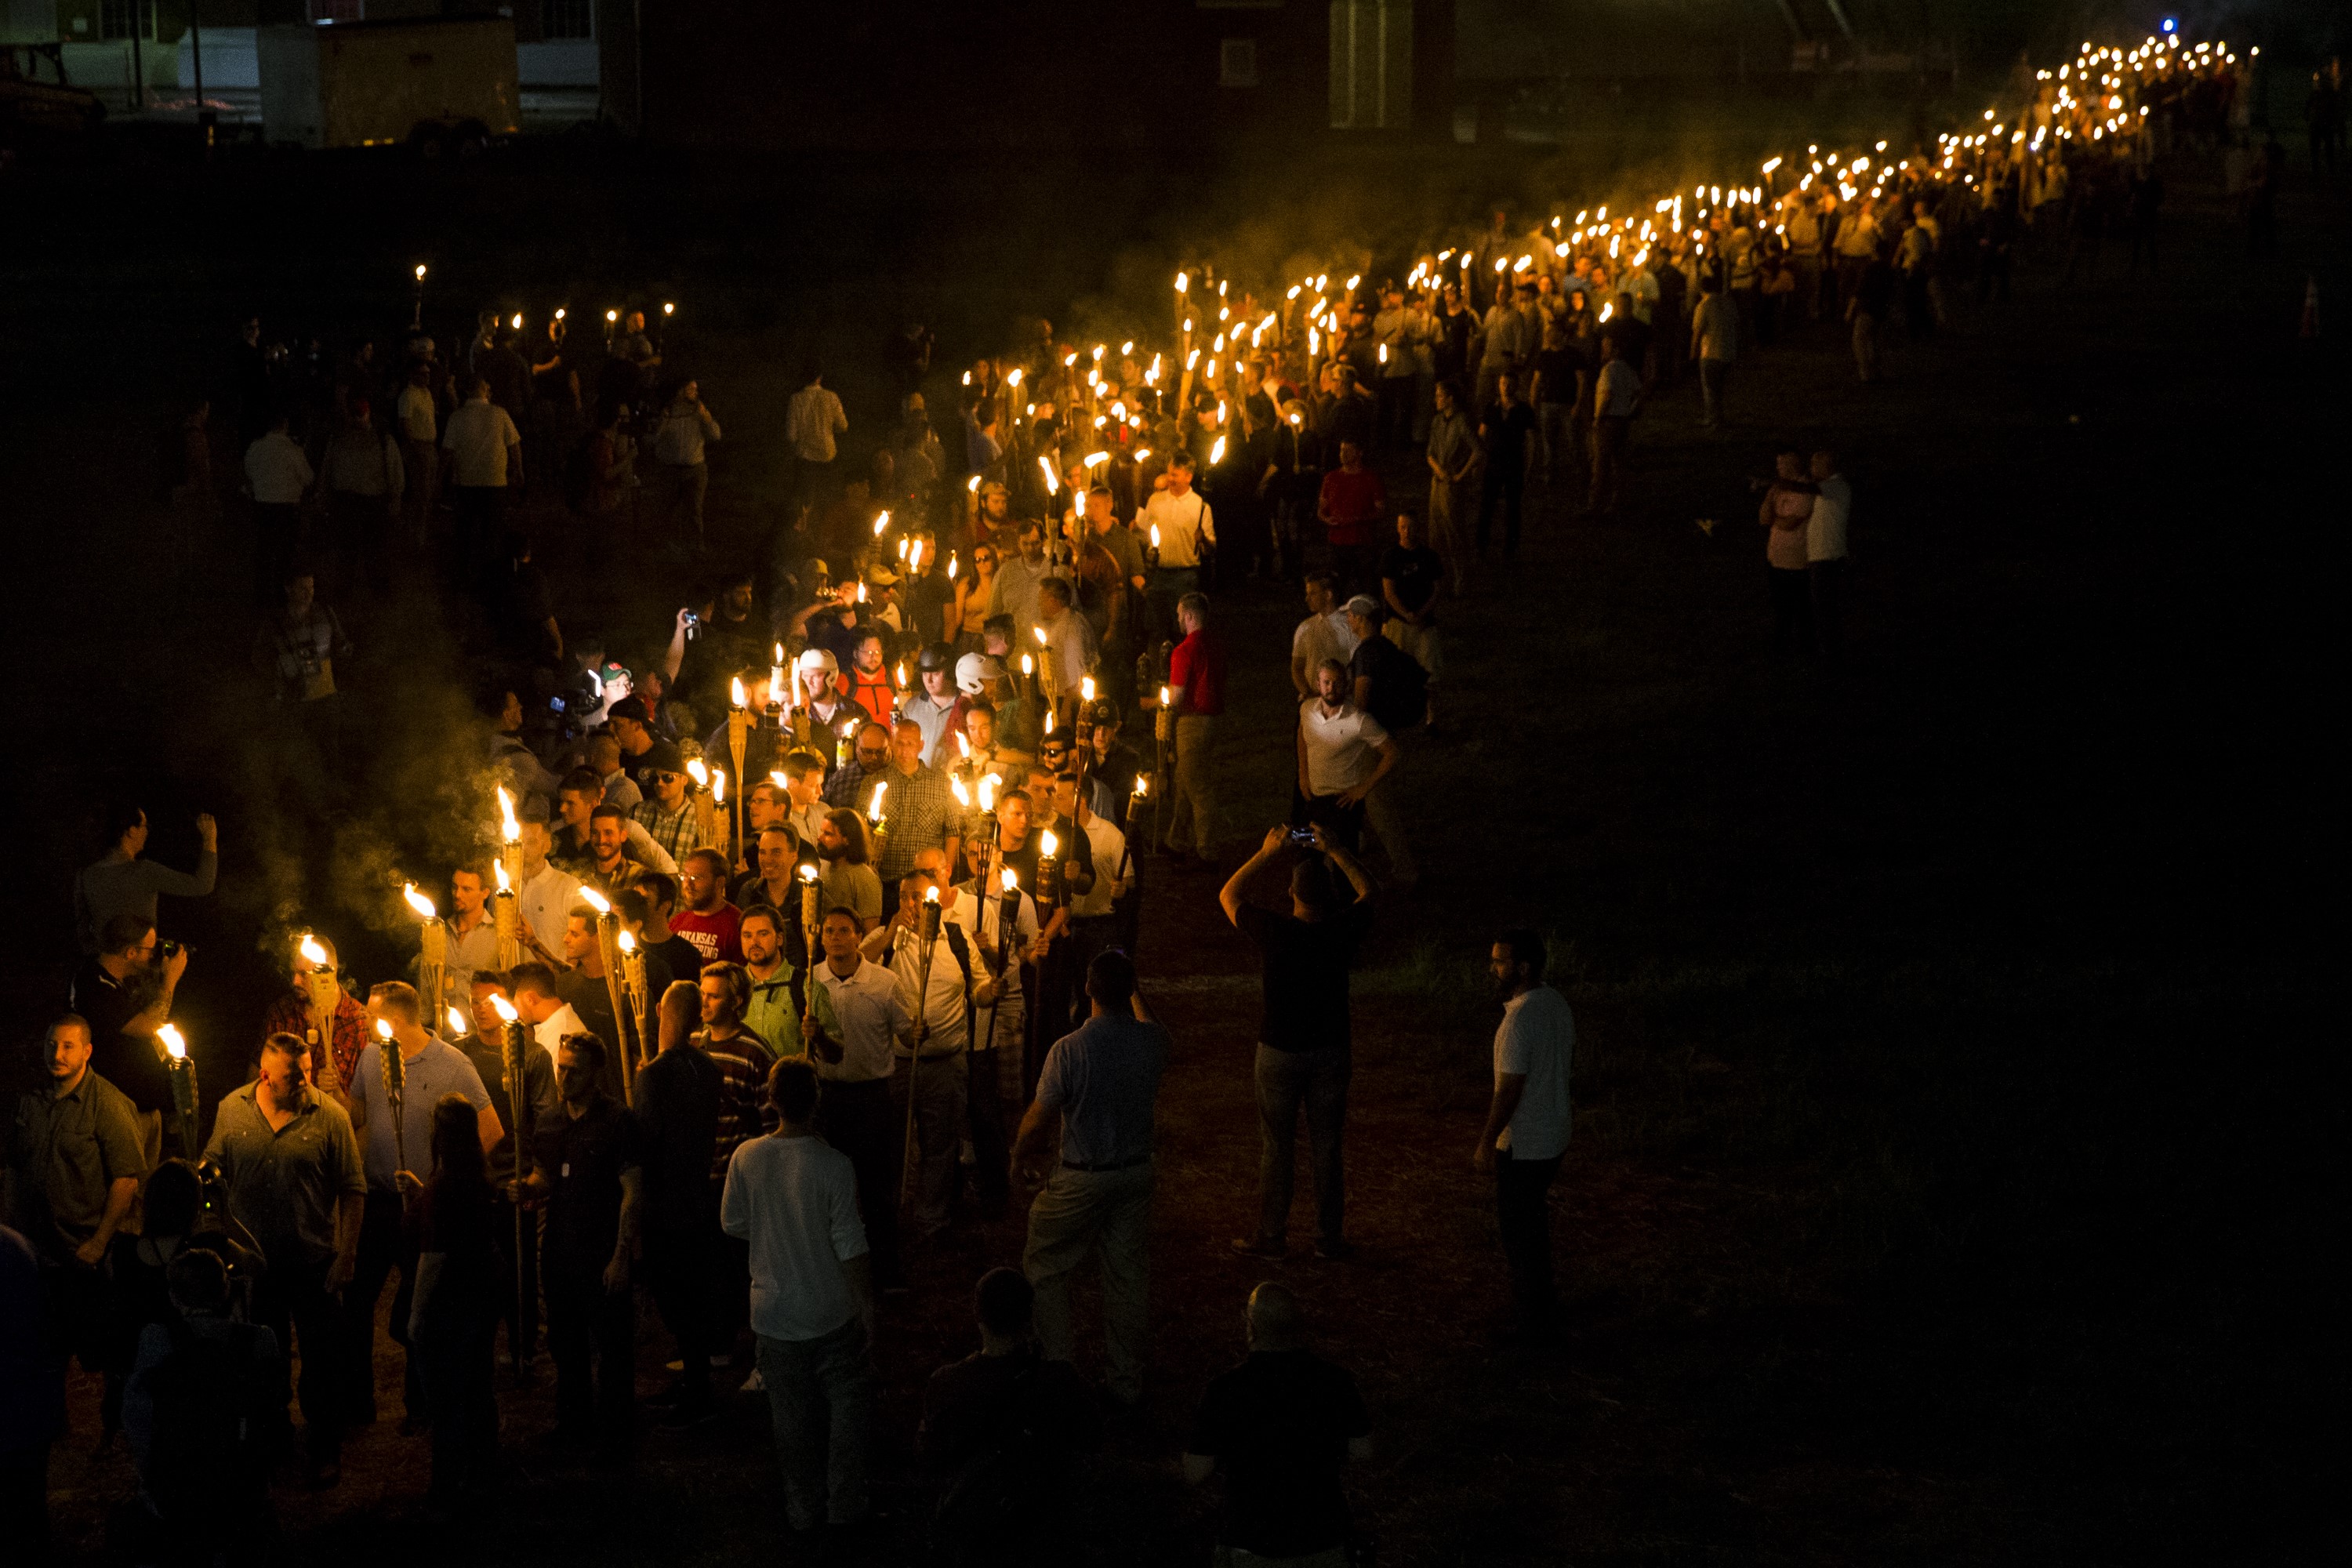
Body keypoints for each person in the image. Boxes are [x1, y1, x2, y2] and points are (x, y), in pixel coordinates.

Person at [203, 1031, 365, 1485]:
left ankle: (323, 1447)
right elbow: (212, 1174)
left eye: (308, 1073)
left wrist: (347, 1253)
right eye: (294, 1075)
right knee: (262, 1360)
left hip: (314, 1261)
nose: (304, 1083)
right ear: (266, 1071)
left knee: (321, 1363)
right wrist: (214, 1225)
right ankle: (271, 1440)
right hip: (254, 1266)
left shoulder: (329, 1116)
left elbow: (353, 1190)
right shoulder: (232, 1109)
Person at [723, 1058, 877, 1533]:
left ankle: (802, 1511)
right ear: (817, 1100)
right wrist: (867, 1311)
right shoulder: (834, 1166)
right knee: (845, 1416)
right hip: (831, 1310)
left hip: (774, 1314)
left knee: (790, 1421)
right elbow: (850, 1245)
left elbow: (732, 1222)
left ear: (771, 1100)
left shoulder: (746, 1157)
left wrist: (773, 1230)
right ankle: (844, 1508)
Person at [1012, 950, 1167, 1406]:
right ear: (1131, 991)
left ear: (1087, 989)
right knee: (1126, 1278)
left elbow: (1039, 1117)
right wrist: (1134, 989)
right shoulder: (1152, 1042)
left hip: (1082, 1177)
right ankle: (1126, 1382)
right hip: (1135, 1173)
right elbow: (1154, 1028)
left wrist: (1018, 1150)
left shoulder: (1069, 1049)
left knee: (1046, 1265)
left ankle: (1060, 1369)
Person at [346, 982, 498, 1430]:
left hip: (422, 1204)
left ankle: (421, 1404)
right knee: (356, 1299)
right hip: (378, 1199)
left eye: (373, 1017)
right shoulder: (372, 1057)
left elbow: (489, 1132)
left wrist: (441, 1188)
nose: (367, 1025)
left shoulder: (453, 1065)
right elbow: (356, 1116)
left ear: (392, 1019)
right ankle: (358, 1405)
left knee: (418, 1303)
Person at [1220, 827, 1374, 1261]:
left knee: (1277, 1145)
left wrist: (1266, 852)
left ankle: (1271, 1236)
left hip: (1278, 1052)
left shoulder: (1274, 931)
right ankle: (1329, 1238)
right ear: (1330, 896)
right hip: (1330, 1051)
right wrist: (1337, 847)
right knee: (1327, 1145)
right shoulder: (1342, 930)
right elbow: (1370, 892)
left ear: (1290, 892)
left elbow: (1229, 895)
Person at [4, 1017, 147, 1416]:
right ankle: (53, 1422)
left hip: (82, 1254)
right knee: (40, 1345)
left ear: (87, 1051)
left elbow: (126, 1179)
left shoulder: (109, 1104)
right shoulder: (29, 1100)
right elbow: (14, 1167)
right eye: (52, 1044)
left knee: (99, 1351)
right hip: (34, 1250)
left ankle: (110, 1429)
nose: (57, 1054)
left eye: (68, 1046)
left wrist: (99, 1242)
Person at [1181, 1282, 1372, 1567]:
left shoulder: (1226, 1390)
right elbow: (1363, 1450)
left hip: (1249, 1546)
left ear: (1250, 1326)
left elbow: (1196, 1471)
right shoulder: (1335, 1381)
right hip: (1323, 1541)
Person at [920, 1267, 1101, 1566]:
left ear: (978, 1317)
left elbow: (928, 1458)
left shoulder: (947, 1384)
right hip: (1045, 1534)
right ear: (1030, 1319)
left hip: (973, 1533)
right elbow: (1092, 1440)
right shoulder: (1061, 1382)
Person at [524, 1033, 642, 1459]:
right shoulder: (551, 1121)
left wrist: (621, 1255)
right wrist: (525, 1188)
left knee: (612, 1346)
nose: (564, 1077)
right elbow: (544, 1177)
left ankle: (616, 1431)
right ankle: (573, 1423)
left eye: (574, 1070)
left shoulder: (618, 1122)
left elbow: (633, 1190)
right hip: (560, 1252)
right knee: (566, 1343)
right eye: (561, 1067)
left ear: (595, 1073)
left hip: (601, 1253)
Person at [119, 1250, 285, 1549]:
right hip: (245, 1488)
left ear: (173, 1296)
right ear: (226, 1291)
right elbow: (271, 1413)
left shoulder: (157, 1339)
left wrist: (153, 1477)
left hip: (176, 1489)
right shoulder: (261, 1339)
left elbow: (137, 1417)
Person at [862, 868, 984, 1240]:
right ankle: (888, 1216)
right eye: (904, 896)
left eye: (919, 896)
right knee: (892, 1145)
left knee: (940, 1144)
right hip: (895, 1064)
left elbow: (977, 984)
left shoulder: (958, 940)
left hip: (945, 1062)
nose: (912, 903)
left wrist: (988, 992)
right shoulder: (885, 939)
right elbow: (858, 963)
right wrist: (890, 932)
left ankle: (931, 1219)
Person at [804, 906, 914, 1290]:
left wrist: (919, 1033)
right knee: (829, 1189)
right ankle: (833, 1271)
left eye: (844, 931)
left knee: (876, 1188)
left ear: (858, 937)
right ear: (821, 938)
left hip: (872, 1098)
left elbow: (906, 1034)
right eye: (829, 930)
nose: (836, 937)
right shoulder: (810, 980)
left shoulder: (884, 982)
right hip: (827, 1098)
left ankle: (886, 1270)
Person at [633, 980, 724, 1428]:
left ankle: (697, 1393)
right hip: (698, 1198)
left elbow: (646, 1141)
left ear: (660, 1012)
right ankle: (693, 1380)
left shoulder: (655, 1075)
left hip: (666, 1205)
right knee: (692, 1297)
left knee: (677, 1299)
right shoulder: (707, 1069)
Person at [405, 1092, 501, 1507]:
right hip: (479, 1296)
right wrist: (420, 1195)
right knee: (477, 1387)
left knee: (446, 1399)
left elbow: (434, 1255)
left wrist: (416, 1315)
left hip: (451, 1302)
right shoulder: (475, 1178)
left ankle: (447, 1486)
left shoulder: (446, 1188)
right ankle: (483, 1473)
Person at [1478, 929, 1575, 1341]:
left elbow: (1509, 1090)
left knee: (1519, 1236)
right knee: (1532, 1227)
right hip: (1553, 1135)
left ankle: (1531, 1323)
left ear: (1523, 967)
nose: (1493, 969)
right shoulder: (1555, 1003)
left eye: (1500, 962)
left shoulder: (1517, 1020)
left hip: (1525, 1145)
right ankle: (1541, 1307)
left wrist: (1486, 1141)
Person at [68, 914, 184, 1142]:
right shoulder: (94, 987)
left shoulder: (121, 978)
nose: (154, 955)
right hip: (119, 1112)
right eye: (150, 949)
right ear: (131, 952)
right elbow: (150, 1026)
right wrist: (170, 981)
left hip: (142, 1105)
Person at [1342, 597, 1423, 887]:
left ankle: (1404, 868)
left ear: (1361, 619)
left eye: (1350, 616)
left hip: (1372, 736)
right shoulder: (1387, 647)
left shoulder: (1365, 653)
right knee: (1358, 793)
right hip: (1388, 729)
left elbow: (1362, 698)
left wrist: (1347, 724)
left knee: (1375, 799)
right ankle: (1356, 843)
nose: (1348, 621)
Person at [72, 804, 218, 957]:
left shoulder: (86, 875)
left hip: (103, 966)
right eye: (144, 826)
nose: (147, 831)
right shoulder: (144, 871)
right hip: (138, 967)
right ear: (131, 831)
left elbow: (83, 929)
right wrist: (210, 838)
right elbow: (202, 885)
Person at [1294, 662, 1397, 850]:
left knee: (1344, 861)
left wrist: (1364, 788)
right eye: (1326, 682)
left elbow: (1392, 752)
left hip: (1343, 804)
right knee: (1301, 847)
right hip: (1314, 801)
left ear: (1346, 685)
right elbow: (1302, 733)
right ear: (1318, 684)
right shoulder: (1307, 710)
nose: (1331, 688)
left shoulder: (1358, 720)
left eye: (1337, 683)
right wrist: (1303, 773)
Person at [1160, 591, 1225, 870]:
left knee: (1198, 788)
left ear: (1188, 616)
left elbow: (1175, 697)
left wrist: (1153, 701)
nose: (1177, 619)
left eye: (1179, 614)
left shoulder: (1184, 650)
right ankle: (1176, 840)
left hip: (1191, 721)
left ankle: (1207, 851)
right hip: (1212, 721)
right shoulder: (1216, 645)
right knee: (1184, 782)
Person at [442, 376, 523, 587]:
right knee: (493, 532)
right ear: (485, 390)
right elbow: (514, 445)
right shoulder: (499, 414)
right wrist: (518, 470)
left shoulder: (457, 417)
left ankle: (463, 574)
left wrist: (442, 478)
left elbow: (447, 451)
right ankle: (492, 576)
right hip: (495, 481)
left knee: (465, 531)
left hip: (466, 482)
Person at [1137, 452, 1216, 643]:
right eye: (1169, 473)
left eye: (1176, 475)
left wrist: (1203, 539)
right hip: (1158, 575)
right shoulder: (1156, 500)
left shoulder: (1200, 506)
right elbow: (1143, 532)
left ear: (1189, 476)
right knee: (1156, 629)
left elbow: (1210, 548)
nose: (1170, 479)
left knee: (1181, 631)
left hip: (1185, 577)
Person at [1378, 511, 1444, 728]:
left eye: (1410, 527)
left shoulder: (1429, 557)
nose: (1407, 532)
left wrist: (1422, 614)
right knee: (1395, 671)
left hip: (1425, 622)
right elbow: (1389, 592)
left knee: (1430, 673)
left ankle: (1431, 717)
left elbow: (1436, 590)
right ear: (1397, 528)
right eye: (1403, 527)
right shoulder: (1390, 557)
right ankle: (1398, 714)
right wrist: (1406, 614)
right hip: (1399, 622)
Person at [242, 410, 311, 604]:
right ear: (285, 426)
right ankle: (282, 593)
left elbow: (248, 470)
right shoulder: (292, 450)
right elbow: (308, 478)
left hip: (263, 506)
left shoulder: (256, 448)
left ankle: (262, 594)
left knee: (264, 549)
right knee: (285, 551)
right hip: (287, 508)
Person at [649, 379, 721, 547]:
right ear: (680, 391)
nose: (695, 392)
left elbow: (716, 435)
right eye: (691, 389)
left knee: (695, 511)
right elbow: (653, 440)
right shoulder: (667, 412)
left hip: (695, 470)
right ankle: (665, 547)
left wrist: (707, 418)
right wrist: (662, 423)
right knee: (665, 510)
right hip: (669, 470)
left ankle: (696, 547)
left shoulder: (699, 411)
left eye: (696, 389)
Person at [1473, 372, 1534, 559]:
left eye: (1509, 383)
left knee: (1513, 507)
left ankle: (1511, 547)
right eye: (1502, 383)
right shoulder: (1491, 408)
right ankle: (1481, 545)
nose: (1505, 387)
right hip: (1493, 463)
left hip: (1514, 464)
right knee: (1486, 505)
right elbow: (1481, 434)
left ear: (1516, 386)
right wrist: (1476, 460)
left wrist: (1529, 466)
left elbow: (1530, 440)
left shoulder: (1524, 410)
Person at [1759, 451, 1816, 654]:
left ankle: (1805, 648)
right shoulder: (1779, 488)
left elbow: (1791, 524)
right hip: (1776, 558)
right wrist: (1770, 500)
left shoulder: (1806, 490)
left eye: (1781, 465)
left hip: (1796, 560)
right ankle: (1782, 646)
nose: (1778, 469)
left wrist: (1774, 518)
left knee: (1801, 607)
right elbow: (1763, 517)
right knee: (1781, 607)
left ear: (1792, 466)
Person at [1313, 439, 1385, 590]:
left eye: (1348, 451)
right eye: (1341, 450)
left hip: (1362, 543)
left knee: (1366, 587)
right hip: (1337, 543)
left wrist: (1359, 519)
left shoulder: (1370, 478)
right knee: (1336, 586)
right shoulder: (1331, 478)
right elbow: (1321, 510)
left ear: (1359, 453)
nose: (1343, 455)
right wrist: (1327, 519)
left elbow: (1381, 511)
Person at [786, 362, 849, 519]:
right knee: (827, 501)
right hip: (828, 456)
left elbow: (791, 435)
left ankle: (804, 532)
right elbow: (843, 426)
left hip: (805, 459)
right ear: (819, 378)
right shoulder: (831, 397)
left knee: (805, 502)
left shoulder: (796, 400)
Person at [1588, 332, 1641, 516]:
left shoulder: (1609, 370)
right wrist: (1631, 411)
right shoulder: (1628, 369)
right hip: (1622, 421)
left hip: (1608, 421)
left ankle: (1595, 505)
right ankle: (1617, 503)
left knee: (1600, 465)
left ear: (1616, 350)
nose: (1602, 350)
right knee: (1619, 465)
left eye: (1606, 347)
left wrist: (1598, 418)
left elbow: (1607, 395)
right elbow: (1639, 392)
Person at [1808, 450, 1852, 661]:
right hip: (1823, 558)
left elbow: (1809, 488)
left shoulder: (1837, 486)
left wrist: (1778, 484)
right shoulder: (1830, 488)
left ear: (1827, 467)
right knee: (1825, 607)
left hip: (1829, 559)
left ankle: (1832, 653)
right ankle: (1830, 649)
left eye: (1815, 465)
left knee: (1826, 608)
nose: (1811, 470)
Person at [816, 808, 885, 931]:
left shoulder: (865, 878)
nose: (820, 838)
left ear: (846, 839)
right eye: (822, 832)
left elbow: (870, 932)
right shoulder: (823, 868)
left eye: (828, 834)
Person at [1690, 274, 1739, 428]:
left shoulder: (1703, 305)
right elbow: (1737, 323)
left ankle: (1713, 420)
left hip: (1710, 353)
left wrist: (1693, 353)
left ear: (1700, 289)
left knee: (1710, 389)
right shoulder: (1728, 303)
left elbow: (1698, 331)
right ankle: (1719, 417)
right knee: (1720, 388)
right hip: (1728, 351)